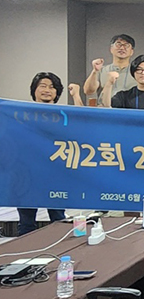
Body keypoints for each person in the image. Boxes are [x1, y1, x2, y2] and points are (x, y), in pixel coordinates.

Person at [18, 72, 71, 235]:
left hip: (55, 172)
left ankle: (59, 248)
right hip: (27, 173)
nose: (47, 90)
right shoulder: (22, 114)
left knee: (58, 218)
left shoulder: (64, 115)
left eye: (52, 87)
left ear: (57, 92)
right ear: (34, 90)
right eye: (42, 86)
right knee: (26, 221)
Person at [83, 34, 137, 106]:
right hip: (105, 109)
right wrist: (95, 71)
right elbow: (88, 91)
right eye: (118, 44)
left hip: (128, 110)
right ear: (111, 49)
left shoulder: (137, 72)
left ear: (132, 51)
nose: (122, 48)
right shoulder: (102, 70)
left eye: (126, 45)